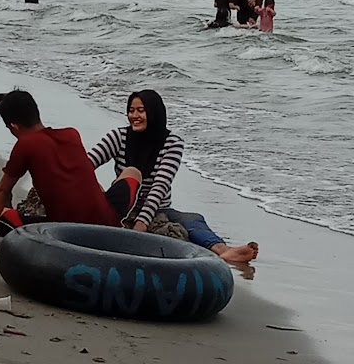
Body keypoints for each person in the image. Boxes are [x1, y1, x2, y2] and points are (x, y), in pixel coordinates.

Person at [88, 90, 258, 269]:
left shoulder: (172, 143)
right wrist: (96, 191)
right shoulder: (119, 137)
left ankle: (224, 250)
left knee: (192, 220)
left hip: (158, 209)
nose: (134, 116)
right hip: (123, 208)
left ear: (154, 113)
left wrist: (140, 226)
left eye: (141, 110)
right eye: (131, 110)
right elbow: (85, 164)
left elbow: (160, 186)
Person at [0, 90, 120, 242]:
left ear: (14, 126)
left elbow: (1, 190)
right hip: (107, 225)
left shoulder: (26, 144)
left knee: (3, 217)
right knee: (130, 175)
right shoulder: (72, 134)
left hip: (67, 233)